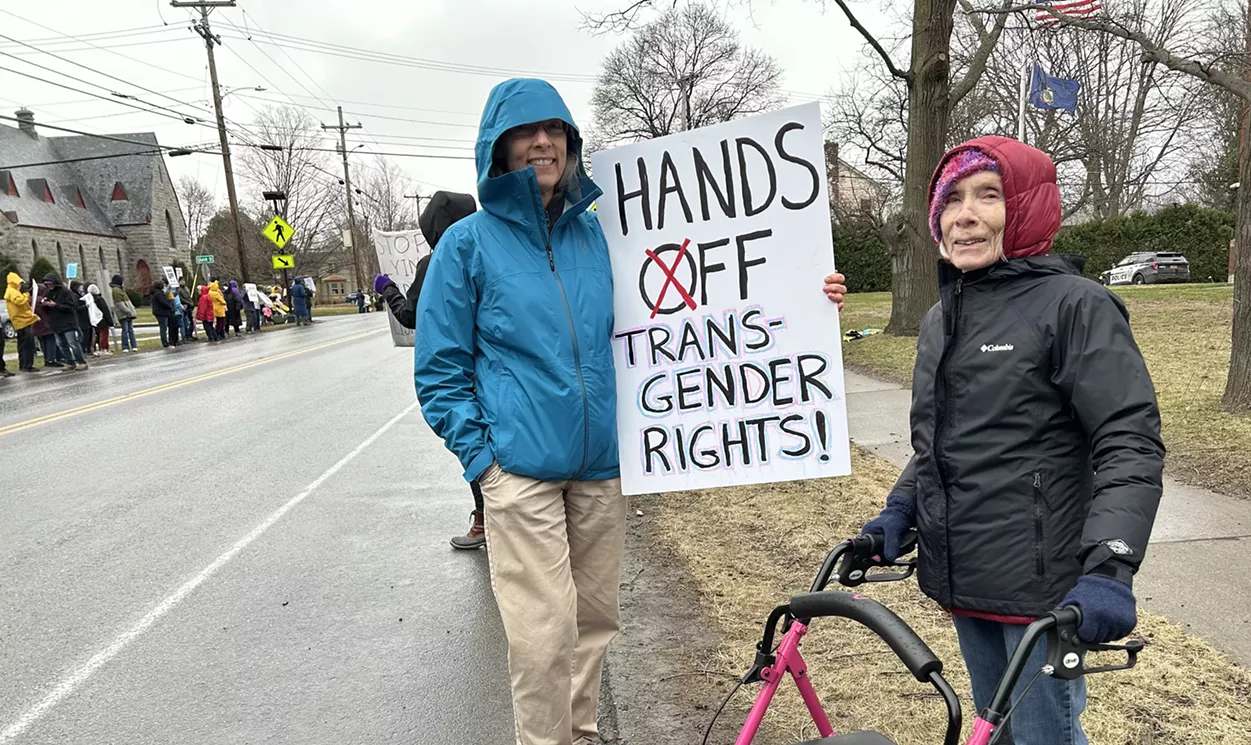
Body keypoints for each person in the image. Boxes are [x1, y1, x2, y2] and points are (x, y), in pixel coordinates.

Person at [414, 78, 843, 745]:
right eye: (526, 132)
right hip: (520, 469)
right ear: (497, 149)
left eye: (555, 130)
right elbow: (439, 367)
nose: (542, 143)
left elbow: (707, 286)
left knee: (593, 620)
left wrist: (805, 291)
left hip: (601, 465)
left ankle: (581, 733)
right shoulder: (467, 245)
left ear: (570, 144)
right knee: (543, 630)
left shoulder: (597, 233)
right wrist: (483, 460)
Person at [855, 136, 1164, 745]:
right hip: (966, 575)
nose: (964, 214)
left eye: (988, 196)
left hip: (1043, 590)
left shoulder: (1076, 305)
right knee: (991, 729)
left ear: (1026, 207)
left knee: (1044, 735)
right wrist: (898, 512)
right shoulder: (943, 317)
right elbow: (941, 445)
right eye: (951, 200)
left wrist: (1110, 568)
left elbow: (1128, 441)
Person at [376, 189, 484, 549]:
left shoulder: (436, 261)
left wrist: (388, 289)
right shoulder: (497, 248)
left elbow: (411, 315)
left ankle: (485, 521)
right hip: (502, 365)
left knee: (475, 443)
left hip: (462, 370)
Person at [40, 273, 87, 371]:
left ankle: (81, 362)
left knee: (73, 343)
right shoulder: (47, 293)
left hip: (68, 322)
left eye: (50, 283)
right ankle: (70, 362)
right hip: (55, 323)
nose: (49, 286)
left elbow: (71, 307)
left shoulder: (66, 292)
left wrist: (56, 305)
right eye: (47, 284)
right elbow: (45, 311)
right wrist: (44, 305)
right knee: (61, 344)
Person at [5, 272, 39, 372]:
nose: (20, 285)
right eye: (19, 283)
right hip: (22, 321)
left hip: (21, 321)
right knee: (27, 344)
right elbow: (19, 301)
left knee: (23, 344)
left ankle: (24, 364)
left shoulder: (12, 291)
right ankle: (27, 365)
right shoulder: (13, 291)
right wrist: (27, 295)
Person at [110, 275, 138, 352]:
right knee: (125, 330)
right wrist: (128, 311)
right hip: (123, 314)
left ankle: (134, 345)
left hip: (128, 313)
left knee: (130, 330)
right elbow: (120, 304)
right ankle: (125, 347)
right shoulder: (116, 290)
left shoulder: (121, 289)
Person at [32, 302, 62, 368]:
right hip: (45, 323)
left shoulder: (31, 299)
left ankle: (47, 359)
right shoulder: (41, 299)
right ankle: (50, 359)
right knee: (50, 341)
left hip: (37, 324)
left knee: (44, 342)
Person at [70, 280, 95, 356]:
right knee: (84, 336)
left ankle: (88, 349)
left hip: (85, 318)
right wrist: (86, 306)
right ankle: (84, 350)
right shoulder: (74, 296)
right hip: (81, 319)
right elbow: (77, 307)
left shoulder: (79, 294)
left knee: (89, 334)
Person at [88, 285, 114, 355]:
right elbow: (105, 310)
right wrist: (110, 321)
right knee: (104, 335)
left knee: (100, 334)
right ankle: (103, 349)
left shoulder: (90, 300)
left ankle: (105, 348)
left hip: (95, 320)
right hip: (102, 319)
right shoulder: (99, 299)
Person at [149, 281, 174, 348]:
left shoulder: (156, 293)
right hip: (161, 312)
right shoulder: (158, 294)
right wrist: (170, 306)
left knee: (164, 327)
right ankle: (165, 343)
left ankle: (166, 341)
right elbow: (163, 302)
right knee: (163, 328)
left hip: (159, 312)